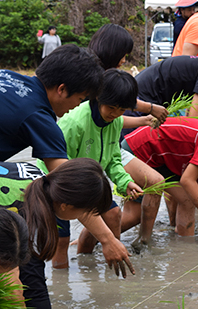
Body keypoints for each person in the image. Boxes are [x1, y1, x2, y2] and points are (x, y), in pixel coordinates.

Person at [0, 45, 134, 280]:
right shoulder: (38, 115)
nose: (77, 106)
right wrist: (108, 239)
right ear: (61, 89)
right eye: (80, 99)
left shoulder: (2, 76)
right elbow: (71, 189)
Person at [0, 159, 116, 308]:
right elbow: (31, 281)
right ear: (66, 205)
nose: (86, 218)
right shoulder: (28, 213)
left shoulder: (40, 179)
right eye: (87, 212)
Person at [41, 69, 162, 265]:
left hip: (87, 182)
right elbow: (56, 163)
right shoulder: (75, 122)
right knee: (61, 241)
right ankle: (62, 283)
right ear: (98, 97)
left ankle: (99, 263)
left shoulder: (114, 122)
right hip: (57, 184)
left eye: (122, 110)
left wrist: (126, 183)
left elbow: (113, 158)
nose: (115, 114)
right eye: (111, 107)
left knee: (114, 215)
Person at [89, 23, 169, 126]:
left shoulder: (101, 72)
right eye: (123, 55)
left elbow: (115, 121)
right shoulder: (95, 77)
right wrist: (151, 108)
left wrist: (146, 119)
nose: (124, 60)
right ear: (112, 51)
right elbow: (120, 100)